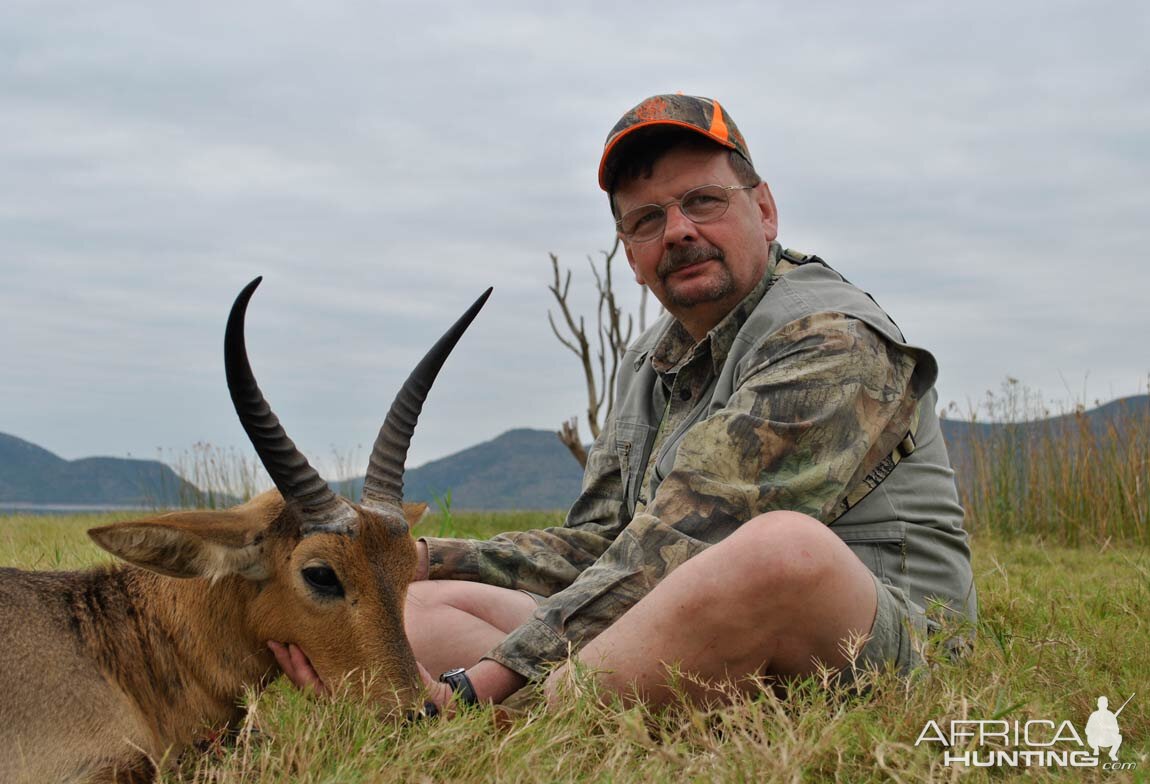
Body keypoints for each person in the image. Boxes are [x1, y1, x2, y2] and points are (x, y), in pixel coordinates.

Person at [273, 94, 976, 712]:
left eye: (703, 201)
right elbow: (602, 547)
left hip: (874, 646)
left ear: (763, 209)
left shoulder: (827, 338)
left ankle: (497, 711)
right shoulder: (651, 361)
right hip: (687, 618)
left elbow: (690, 540)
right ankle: (601, 697)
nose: (677, 231)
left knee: (781, 550)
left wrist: (480, 681)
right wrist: (423, 560)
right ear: (630, 251)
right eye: (646, 220)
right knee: (416, 609)